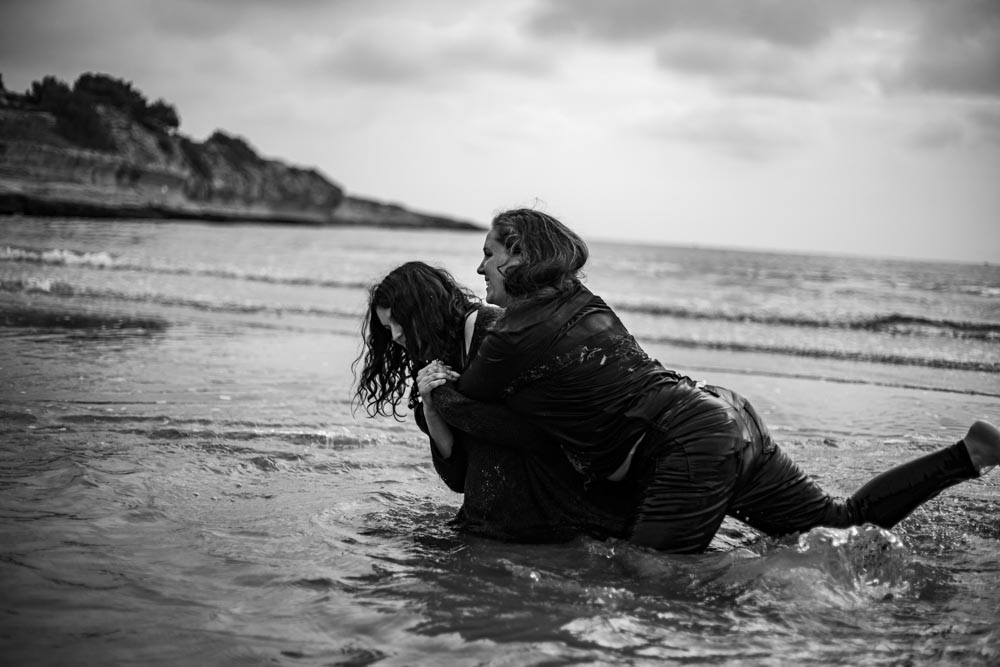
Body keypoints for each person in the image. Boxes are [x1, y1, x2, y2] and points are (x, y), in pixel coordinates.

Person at [420, 208, 1000, 554]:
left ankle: (761, 614)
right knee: (839, 521)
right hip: (723, 412)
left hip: (687, 445)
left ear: (520, 257)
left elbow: (474, 410)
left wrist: (433, 390)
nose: (480, 269)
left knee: (652, 578)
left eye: (490, 253)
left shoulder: (512, 337)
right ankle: (966, 454)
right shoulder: (579, 297)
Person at [352, 261, 633, 543]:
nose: (396, 336)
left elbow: (536, 431)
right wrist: (430, 405)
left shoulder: (495, 332)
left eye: (399, 322)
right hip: (490, 520)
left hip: (551, 512)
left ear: (425, 308)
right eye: (389, 328)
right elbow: (456, 477)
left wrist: (447, 400)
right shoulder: (433, 368)